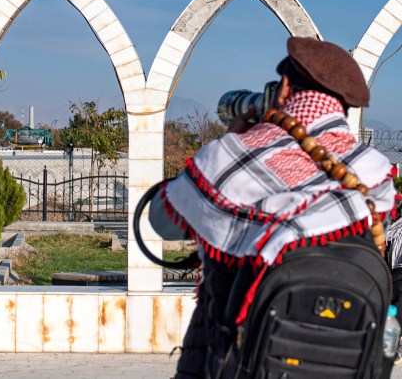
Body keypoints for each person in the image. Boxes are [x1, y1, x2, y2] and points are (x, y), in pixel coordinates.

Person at [148, 37, 396, 378]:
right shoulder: (375, 171)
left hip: (222, 361)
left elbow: (162, 221)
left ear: (284, 88)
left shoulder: (231, 157)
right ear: (344, 106)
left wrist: (230, 140)